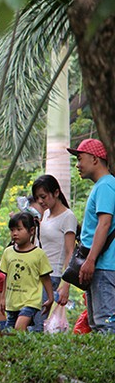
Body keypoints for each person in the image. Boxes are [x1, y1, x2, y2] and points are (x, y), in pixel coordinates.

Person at [67, 138, 115, 333]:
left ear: (95, 159)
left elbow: (104, 224)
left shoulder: (106, 185)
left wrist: (91, 260)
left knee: (106, 324)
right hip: (99, 266)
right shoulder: (104, 185)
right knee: (97, 324)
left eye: (80, 158)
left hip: (103, 265)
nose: (77, 165)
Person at [30, 174, 77, 332]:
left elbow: (70, 252)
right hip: (37, 275)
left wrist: (66, 284)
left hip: (52, 276)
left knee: (38, 325)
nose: (41, 201)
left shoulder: (67, 216)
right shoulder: (46, 215)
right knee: (32, 322)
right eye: (38, 198)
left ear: (56, 193)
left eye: (43, 196)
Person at [0, 212, 53, 331]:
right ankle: (26, 347)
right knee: (10, 333)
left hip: (30, 300)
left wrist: (50, 298)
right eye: (12, 230)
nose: (15, 233)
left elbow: (45, 277)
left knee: (19, 328)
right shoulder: (8, 252)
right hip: (12, 301)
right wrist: (3, 298)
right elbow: (6, 277)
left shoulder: (38, 254)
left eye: (19, 229)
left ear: (31, 230)